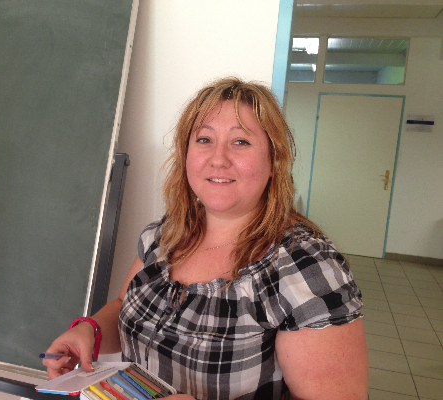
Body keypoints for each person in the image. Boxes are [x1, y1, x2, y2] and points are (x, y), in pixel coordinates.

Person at [43, 77, 368, 400]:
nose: (218, 158)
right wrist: (91, 330)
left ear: (274, 161)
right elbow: (123, 306)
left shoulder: (304, 265)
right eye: (204, 139)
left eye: (240, 141)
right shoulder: (166, 234)